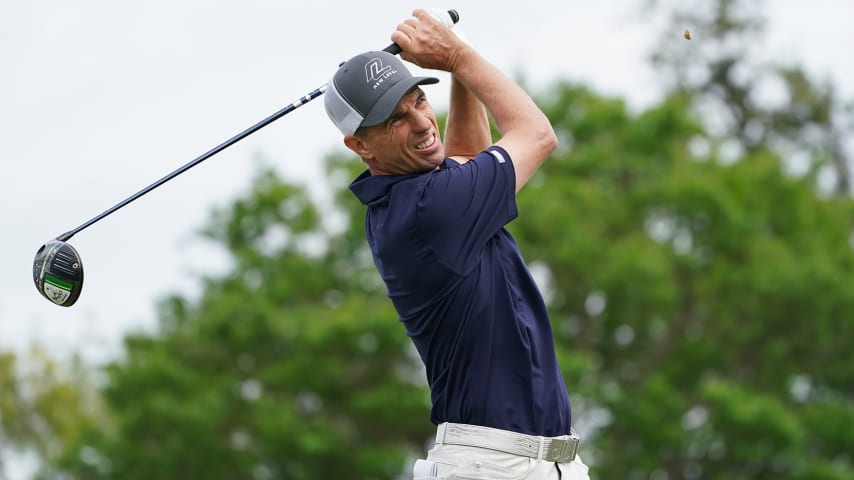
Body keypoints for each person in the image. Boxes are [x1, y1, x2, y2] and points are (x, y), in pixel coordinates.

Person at [324, 9, 590, 480]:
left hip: (539, 462)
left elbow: (466, 155)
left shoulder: (414, 193)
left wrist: (456, 71)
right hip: (493, 466)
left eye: (418, 101)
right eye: (394, 120)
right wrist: (459, 56)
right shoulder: (429, 211)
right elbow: (538, 135)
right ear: (359, 146)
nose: (421, 123)